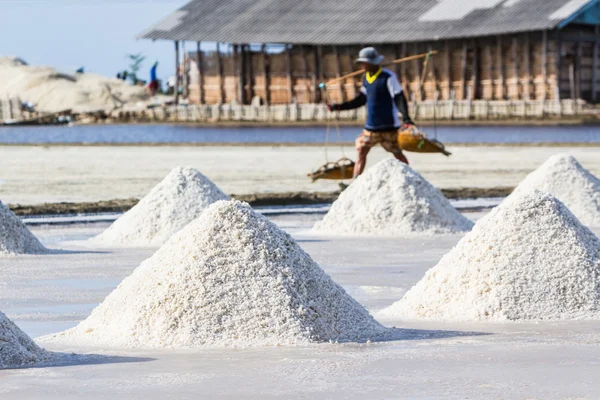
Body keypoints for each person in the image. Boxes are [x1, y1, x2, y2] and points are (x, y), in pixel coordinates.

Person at [328, 47, 415, 178]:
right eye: (361, 63)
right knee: (361, 151)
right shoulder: (366, 79)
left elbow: (399, 98)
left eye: (364, 63)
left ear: (373, 63)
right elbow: (361, 100)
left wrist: (406, 118)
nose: (362, 66)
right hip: (371, 127)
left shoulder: (388, 77)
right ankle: (356, 180)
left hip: (389, 127)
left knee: (397, 153)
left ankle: (411, 177)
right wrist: (339, 107)